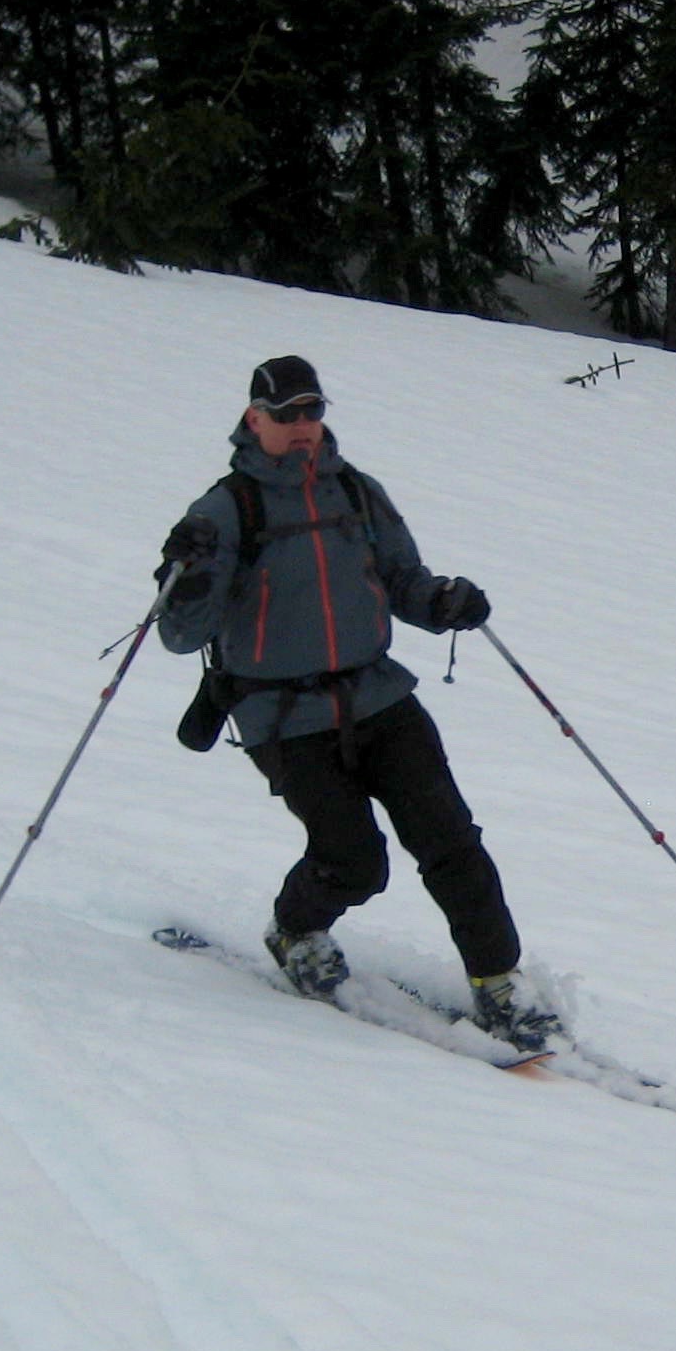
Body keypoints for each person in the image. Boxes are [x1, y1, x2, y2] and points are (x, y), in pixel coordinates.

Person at [155, 354, 558, 1051]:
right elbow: (180, 635)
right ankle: (296, 931)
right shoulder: (225, 511)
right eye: (285, 414)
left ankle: (500, 983)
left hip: (378, 695)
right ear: (254, 418)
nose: (302, 425)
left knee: (450, 840)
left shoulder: (356, 492)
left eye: (312, 410)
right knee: (354, 861)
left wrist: (444, 602)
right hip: (283, 714)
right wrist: (183, 576)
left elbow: (403, 581)